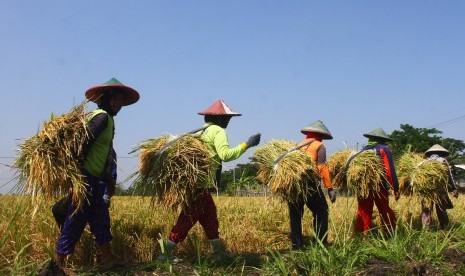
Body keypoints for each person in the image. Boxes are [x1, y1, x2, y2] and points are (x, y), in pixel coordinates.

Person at [158, 99, 261, 263]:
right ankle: (164, 255)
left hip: (199, 186)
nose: (228, 121)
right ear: (219, 118)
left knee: (210, 219)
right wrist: (247, 144)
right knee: (186, 220)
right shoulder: (218, 131)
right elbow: (225, 155)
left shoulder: (200, 132)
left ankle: (218, 253)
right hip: (200, 188)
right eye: (227, 118)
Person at [55, 78, 139, 270]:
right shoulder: (101, 117)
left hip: (97, 179)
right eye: (115, 99)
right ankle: (59, 264)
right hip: (87, 178)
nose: (119, 104)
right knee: (75, 219)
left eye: (121, 100)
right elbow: (82, 144)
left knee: (101, 219)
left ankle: (107, 258)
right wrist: (78, 174)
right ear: (105, 99)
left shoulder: (106, 119)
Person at [287, 120, 336, 249]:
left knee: (295, 213)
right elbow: (322, 167)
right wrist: (329, 188)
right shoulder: (319, 145)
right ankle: (321, 243)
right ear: (321, 135)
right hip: (309, 183)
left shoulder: (297, 145)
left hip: (293, 183)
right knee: (321, 211)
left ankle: (296, 245)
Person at [351, 128, 400, 235]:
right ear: (382, 139)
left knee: (364, 210)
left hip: (363, 186)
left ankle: (363, 235)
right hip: (379, 185)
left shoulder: (363, 151)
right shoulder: (383, 149)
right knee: (384, 209)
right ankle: (390, 233)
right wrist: (395, 187)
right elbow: (389, 170)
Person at [420, 144, 459, 230]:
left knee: (426, 210)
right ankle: (444, 229)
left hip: (426, 191)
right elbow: (449, 176)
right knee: (441, 210)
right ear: (441, 153)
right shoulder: (442, 161)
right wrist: (453, 188)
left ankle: (425, 229)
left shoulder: (424, 162)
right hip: (440, 190)